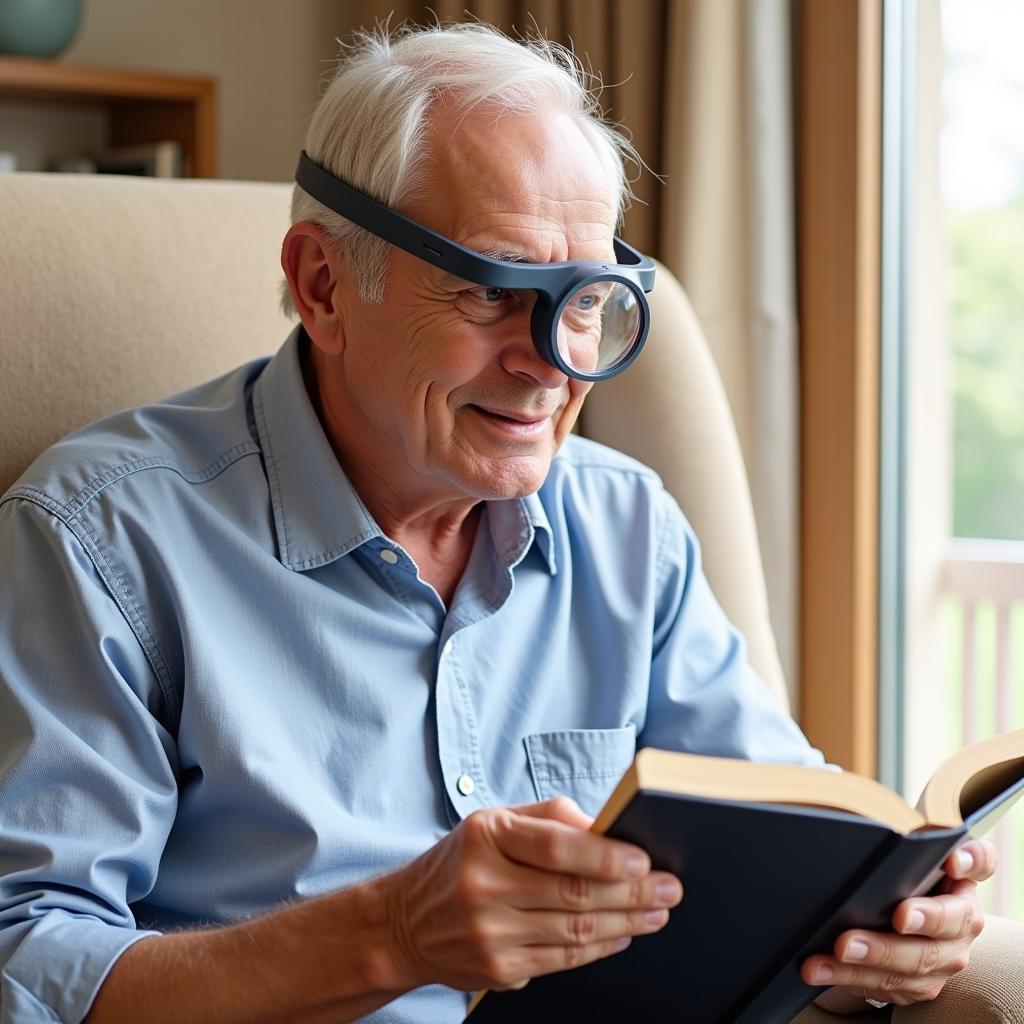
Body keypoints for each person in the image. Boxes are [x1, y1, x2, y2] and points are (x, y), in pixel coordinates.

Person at [0, 22, 994, 1024]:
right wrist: (391, 936)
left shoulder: (623, 525)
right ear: (323, 285)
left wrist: (887, 914)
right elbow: (27, 962)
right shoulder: (98, 542)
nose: (553, 362)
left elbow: (786, 822)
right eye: (489, 290)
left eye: (585, 300)